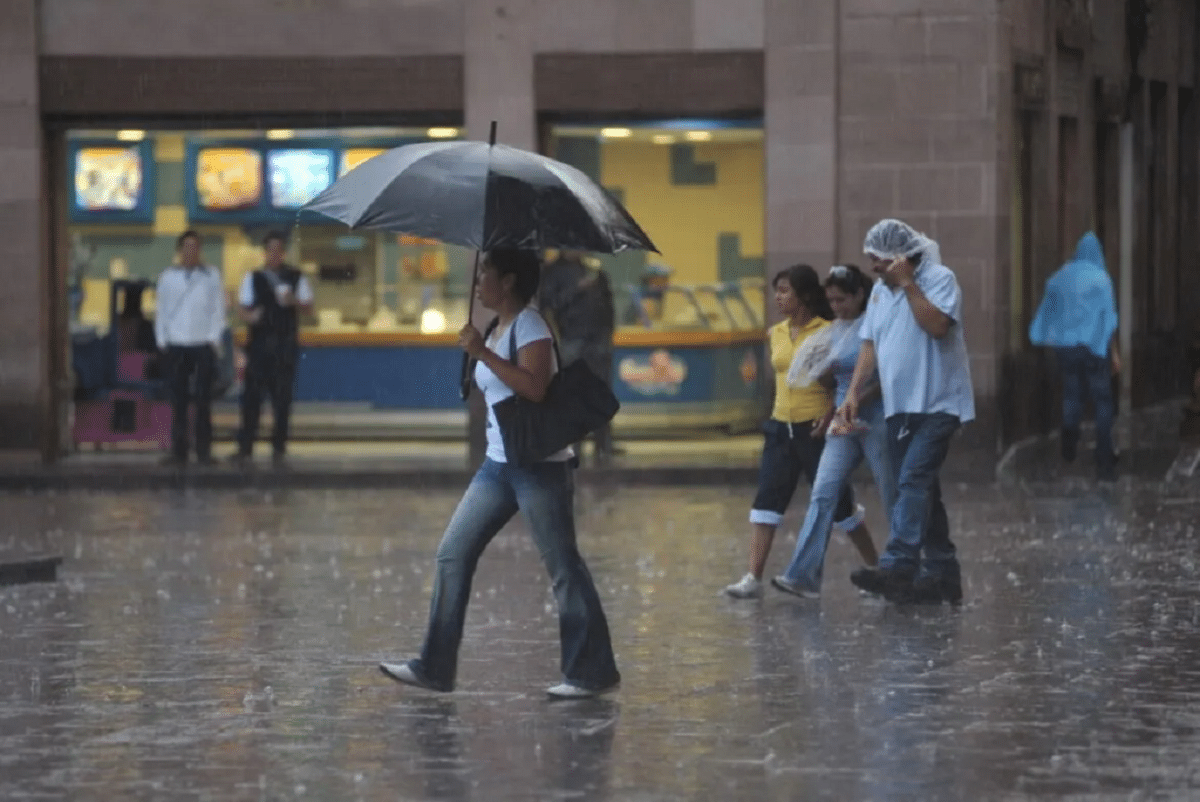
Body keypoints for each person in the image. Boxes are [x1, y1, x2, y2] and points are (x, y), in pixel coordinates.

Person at [380, 249, 621, 699]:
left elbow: (536, 386)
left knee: (563, 566)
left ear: (508, 281)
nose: (479, 282)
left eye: (486, 273)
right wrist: (477, 352)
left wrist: (482, 354)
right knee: (453, 554)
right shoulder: (496, 326)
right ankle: (435, 666)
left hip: (537, 467)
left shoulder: (530, 326)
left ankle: (591, 671)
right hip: (498, 465)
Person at [840, 219, 975, 605]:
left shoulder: (939, 279)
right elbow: (869, 345)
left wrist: (909, 284)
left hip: (938, 403)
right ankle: (943, 573)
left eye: (878, 261)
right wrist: (853, 393)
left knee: (912, 480)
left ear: (900, 259)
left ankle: (899, 563)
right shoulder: (880, 295)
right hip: (900, 407)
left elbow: (936, 327)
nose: (873, 269)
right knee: (922, 487)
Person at [723, 264, 862, 599]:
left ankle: (876, 565)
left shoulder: (829, 330)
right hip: (779, 426)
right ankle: (752, 577)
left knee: (840, 505)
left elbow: (840, 379)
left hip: (814, 429)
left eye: (785, 290)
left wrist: (830, 412)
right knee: (766, 501)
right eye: (777, 290)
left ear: (805, 295)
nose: (778, 297)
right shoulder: (777, 333)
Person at [771, 264, 891, 598]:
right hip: (842, 419)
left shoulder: (876, 326)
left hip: (874, 418)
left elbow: (887, 378)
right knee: (823, 491)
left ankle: (901, 566)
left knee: (890, 490)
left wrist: (857, 399)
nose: (836, 307)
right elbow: (828, 378)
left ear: (859, 295)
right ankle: (803, 575)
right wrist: (819, 370)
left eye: (842, 300)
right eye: (832, 301)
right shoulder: (834, 331)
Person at [1028, 231, 1120, 481]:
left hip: (1066, 347)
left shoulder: (1059, 277)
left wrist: (1044, 333)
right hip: (1094, 347)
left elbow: (1050, 309)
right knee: (1102, 399)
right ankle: (1104, 453)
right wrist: (1113, 353)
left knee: (1072, 392)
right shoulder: (1102, 280)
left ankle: (1069, 433)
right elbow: (1108, 319)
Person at [229, 231, 314, 466]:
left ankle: (279, 447)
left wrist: (293, 302)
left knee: (282, 400)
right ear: (264, 253)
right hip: (258, 346)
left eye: (278, 250)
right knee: (252, 399)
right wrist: (250, 316)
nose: (274, 255)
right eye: (270, 250)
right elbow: (243, 310)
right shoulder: (253, 278)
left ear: (283, 253)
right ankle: (246, 447)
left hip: (285, 346)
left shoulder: (297, 277)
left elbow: (309, 308)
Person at [154, 230, 227, 467]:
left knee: (204, 400)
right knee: (179, 401)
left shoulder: (211, 276)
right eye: (186, 246)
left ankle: (204, 451)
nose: (190, 251)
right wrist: (162, 340)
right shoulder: (167, 277)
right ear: (179, 250)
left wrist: (214, 339)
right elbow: (161, 310)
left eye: (195, 246)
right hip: (176, 345)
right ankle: (179, 451)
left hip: (202, 345)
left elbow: (218, 310)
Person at [538, 249, 617, 463]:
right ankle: (576, 444)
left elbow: (608, 301)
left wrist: (608, 331)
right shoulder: (553, 272)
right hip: (572, 337)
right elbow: (549, 304)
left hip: (597, 337)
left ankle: (604, 443)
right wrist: (576, 289)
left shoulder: (594, 269)